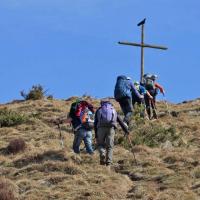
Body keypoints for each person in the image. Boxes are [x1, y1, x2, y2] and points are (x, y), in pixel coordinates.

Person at [94, 99, 129, 166]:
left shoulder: (99, 110)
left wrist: (96, 134)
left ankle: (102, 154)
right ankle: (109, 163)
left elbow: (95, 123)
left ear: (102, 103)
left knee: (100, 144)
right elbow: (120, 121)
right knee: (110, 146)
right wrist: (126, 130)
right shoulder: (113, 110)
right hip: (111, 128)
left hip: (100, 128)